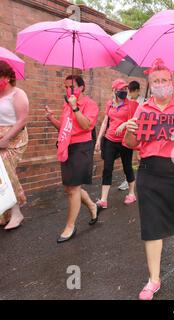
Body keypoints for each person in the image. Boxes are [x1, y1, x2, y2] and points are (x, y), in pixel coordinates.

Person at [124, 58, 174, 301]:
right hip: (149, 171)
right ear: (149, 84)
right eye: (155, 81)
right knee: (151, 224)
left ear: (172, 82)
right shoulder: (142, 109)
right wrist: (131, 130)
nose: (160, 84)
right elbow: (132, 144)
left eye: (164, 80)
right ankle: (153, 279)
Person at [45, 75, 99, 243]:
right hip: (67, 145)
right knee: (69, 188)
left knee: (73, 188)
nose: (68, 90)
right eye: (66, 87)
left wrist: (75, 108)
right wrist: (51, 118)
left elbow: (86, 126)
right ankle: (91, 205)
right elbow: (64, 128)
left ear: (81, 87)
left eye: (72, 86)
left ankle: (70, 226)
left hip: (82, 148)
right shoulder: (66, 104)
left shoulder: (90, 104)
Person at [94, 79, 138, 210]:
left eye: (125, 89)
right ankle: (103, 199)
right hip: (110, 140)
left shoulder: (131, 104)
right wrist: (98, 139)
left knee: (127, 167)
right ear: (114, 90)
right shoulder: (110, 104)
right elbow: (105, 122)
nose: (124, 91)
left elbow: (137, 119)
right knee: (107, 168)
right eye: (121, 89)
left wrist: (125, 124)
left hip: (125, 141)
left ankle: (131, 194)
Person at [0, 61, 29, 230]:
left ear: (7, 76)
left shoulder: (18, 94)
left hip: (15, 138)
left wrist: (6, 139)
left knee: (4, 169)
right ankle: (5, 213)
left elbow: (22, 120)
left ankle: (17, 212)